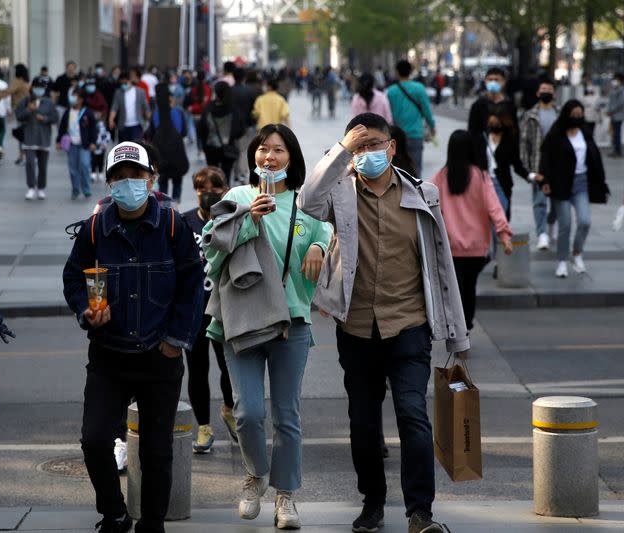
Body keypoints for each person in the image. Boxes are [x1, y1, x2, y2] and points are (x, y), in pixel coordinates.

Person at [298, 113, 469, 533]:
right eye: (359, 146)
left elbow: (442, 265)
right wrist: (340, 152)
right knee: (364, 422)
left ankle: (420, 512)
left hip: (409, 325)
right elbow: (306, 202)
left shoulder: (420, 194)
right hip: (356, 328)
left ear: (392, 148)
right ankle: (372, 502)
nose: (367, 153)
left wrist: (457, 335)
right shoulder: (339, 194)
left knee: (413, 415)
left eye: (374, 144)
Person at [62, 141, 204, 533]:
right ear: (109, 184)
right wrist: (86, 312)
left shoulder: (173, 225)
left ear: (151, 178)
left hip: (160, 356)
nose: (128, 184)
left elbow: (194, 284)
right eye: (119, 178)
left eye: (135, 176)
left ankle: (152, 522)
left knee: (158, 450)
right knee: (93, 441)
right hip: (109, 355)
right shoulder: (95, 228)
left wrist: (176, 339)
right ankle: (114, 512)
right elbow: (74, 277)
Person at [201, 123, 331, 530]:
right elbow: (210, 250)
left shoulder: (303, 204)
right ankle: (255, 474)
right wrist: (245, 220)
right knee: (248, 412)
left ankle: (286, 495)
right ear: (253, 156)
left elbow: (327, 228)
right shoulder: (238, 197)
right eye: (262, 149)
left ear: (290, 158)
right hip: (241, 320)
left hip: (290, 321)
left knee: (287, 414)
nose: (268, 157)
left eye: (277, 150)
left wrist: (319, 244)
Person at [432, 130, 513, 331]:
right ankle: (465, 326)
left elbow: (428, 206)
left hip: (450, 247)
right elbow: (494, 208)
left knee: (455, 290)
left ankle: (457, 329)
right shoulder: (481, 177)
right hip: (477, 248)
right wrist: (504, 234)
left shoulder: (441, 178)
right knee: (469, 288)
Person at [180, 166, 237, 452]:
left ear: (224, 190)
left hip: (224, 308)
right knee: (197, 369)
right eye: (201, 189)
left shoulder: (230, 220)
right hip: (193, 311)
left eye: (214, 189)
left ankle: (229, 408)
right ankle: (203, 427)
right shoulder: (184, 222)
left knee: (229, 366)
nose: (207, 194)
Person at [539, 100, 609, 278]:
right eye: (574, 115)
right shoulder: (557, 134)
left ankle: (577, 253)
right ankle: (562, 261)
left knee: (585, 221)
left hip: (581, 182)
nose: (577, 118)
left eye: (580, 115)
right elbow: (546, 157)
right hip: (560, 183)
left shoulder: (585, 133)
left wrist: (601, 181)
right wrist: (545, 180)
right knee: (566, 224)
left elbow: (595, 158)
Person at [520, 78, 558, 250]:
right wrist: (528, 169)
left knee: (558, 203)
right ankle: (542, 233)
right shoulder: (530, 115)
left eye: (549, 89)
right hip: (538, 165)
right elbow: (524, 143)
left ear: (554, 93)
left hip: (557, 167)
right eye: (543, 89)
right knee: (540, 201)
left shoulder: (560, 114)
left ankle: (551, 223)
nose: (546, 92)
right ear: (537, 93)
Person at [474, 104, 529, 220]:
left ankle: (499, 237)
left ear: (504, 123)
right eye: (491, 123)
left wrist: (530, 176)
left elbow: (517, 164)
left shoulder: (510, 140)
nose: (494, 126)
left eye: (497, 124)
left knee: (501, 217)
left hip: (502, 184)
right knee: (485, 219)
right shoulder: (482, 138)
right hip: (483, 183)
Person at [386, 60, 436, 178]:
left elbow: (388, 115)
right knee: (416, 168)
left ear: (397, 72)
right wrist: (432, 126)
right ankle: (416, 192)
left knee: (397, 169)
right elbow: (427, 111)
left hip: (396, 136)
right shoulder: (419, 88)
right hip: (415, 134)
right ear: (411, 72)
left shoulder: (391, 91)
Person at [16, 78, 59, 200]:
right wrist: (28, 110)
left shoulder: (48, 102)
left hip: (44, 139)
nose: (38, 90)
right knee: (29, 163)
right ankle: (30, 187)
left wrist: (44, 119)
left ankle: (40, 188)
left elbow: (55, 117)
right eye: (36, 87)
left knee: (42, 165)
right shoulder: (25, 101)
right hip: (29, 138)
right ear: (32, 88)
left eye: (41, 87)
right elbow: (18, 116)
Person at [149, 84, 189, 203]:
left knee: (163, 181)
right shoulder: (178, 112)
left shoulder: (156, 114)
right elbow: (184, 132)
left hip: (161, 153)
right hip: (177, 152)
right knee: (177, 179)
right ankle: (176, 202)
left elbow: (151, 133)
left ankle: (164, 203)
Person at [199, 81, 244, 180]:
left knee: (212, 176)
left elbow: (201, 127)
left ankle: (214, 193)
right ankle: (225, 194)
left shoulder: (209, 107)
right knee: (226, 175)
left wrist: (203, 144)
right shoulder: (233, 108)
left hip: (211, 148)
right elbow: (241, 128)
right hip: (228, 148)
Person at [57, 88, 98, 200]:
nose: (73, 99)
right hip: (72, 144)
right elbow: (62, 127)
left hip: (84, 144)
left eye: (75, 96)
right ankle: (75, 189)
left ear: (81, 99)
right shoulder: (68, 111)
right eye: (72, 96)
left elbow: (93, 129)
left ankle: (86, 189)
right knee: (73, 168)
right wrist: (58, 140)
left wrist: (93, 142)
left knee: (85, 165)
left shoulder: (88, 112)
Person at [467, 67, 520, 141]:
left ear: (503, 82)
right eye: (490, 80)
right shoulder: (478, 105)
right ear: (485, 81)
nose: (493, 82)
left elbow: (514, 131)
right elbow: (472, 131)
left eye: (496, 80)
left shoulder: (509, 105)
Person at [0, 64, 31, 165]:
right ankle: (25, 155)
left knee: (21, 133)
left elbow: (8, 91)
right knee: (25, 132)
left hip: (21, 110)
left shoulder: (18, 81)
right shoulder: (26, 81)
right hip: (28, 109)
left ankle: (22, 156)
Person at [231, 68, 263, 183]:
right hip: (247, 125)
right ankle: (243, 173)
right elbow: (255, 109)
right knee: (245, 150)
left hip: (232, 125)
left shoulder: (230, 90)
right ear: (243, 77)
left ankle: (236, 172)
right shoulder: (250, 91)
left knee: (235, 149)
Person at [109, 72, 151, 143]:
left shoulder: (140, 92)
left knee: (136, 147)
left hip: (137, 125)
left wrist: (149, 119)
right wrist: (111, 119)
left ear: (130, 81)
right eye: (121, 84)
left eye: (125, 83)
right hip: (122, 126)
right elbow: (114, 107)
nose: (123, 85)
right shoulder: (118, 93)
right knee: (124, 148)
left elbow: (146, 107)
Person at [607, 73, 624, 157]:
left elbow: (620, 103)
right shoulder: (615, 89)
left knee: (617, 133)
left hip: (618, 115)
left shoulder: (622, 90)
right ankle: (615, 150)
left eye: (616, 80)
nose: (614, 82)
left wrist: (611, 110)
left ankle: (618, 151)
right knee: (614, 134)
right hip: (614, 115)